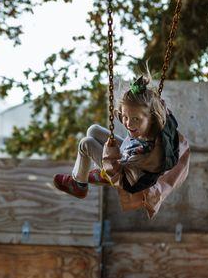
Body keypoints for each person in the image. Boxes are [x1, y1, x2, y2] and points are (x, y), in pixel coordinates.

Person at [53, 71, 181, 201]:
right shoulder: (155, 121)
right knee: (93, 130)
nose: (129, 123)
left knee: (86, 144)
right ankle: (99, 174)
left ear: (152, 117)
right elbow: (146, 112)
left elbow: (117, 170)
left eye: (136, 119)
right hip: (129, 153)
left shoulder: (149, 155)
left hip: (127, 175)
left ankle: (79, 185)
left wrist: (109, 154)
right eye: (126, 117)